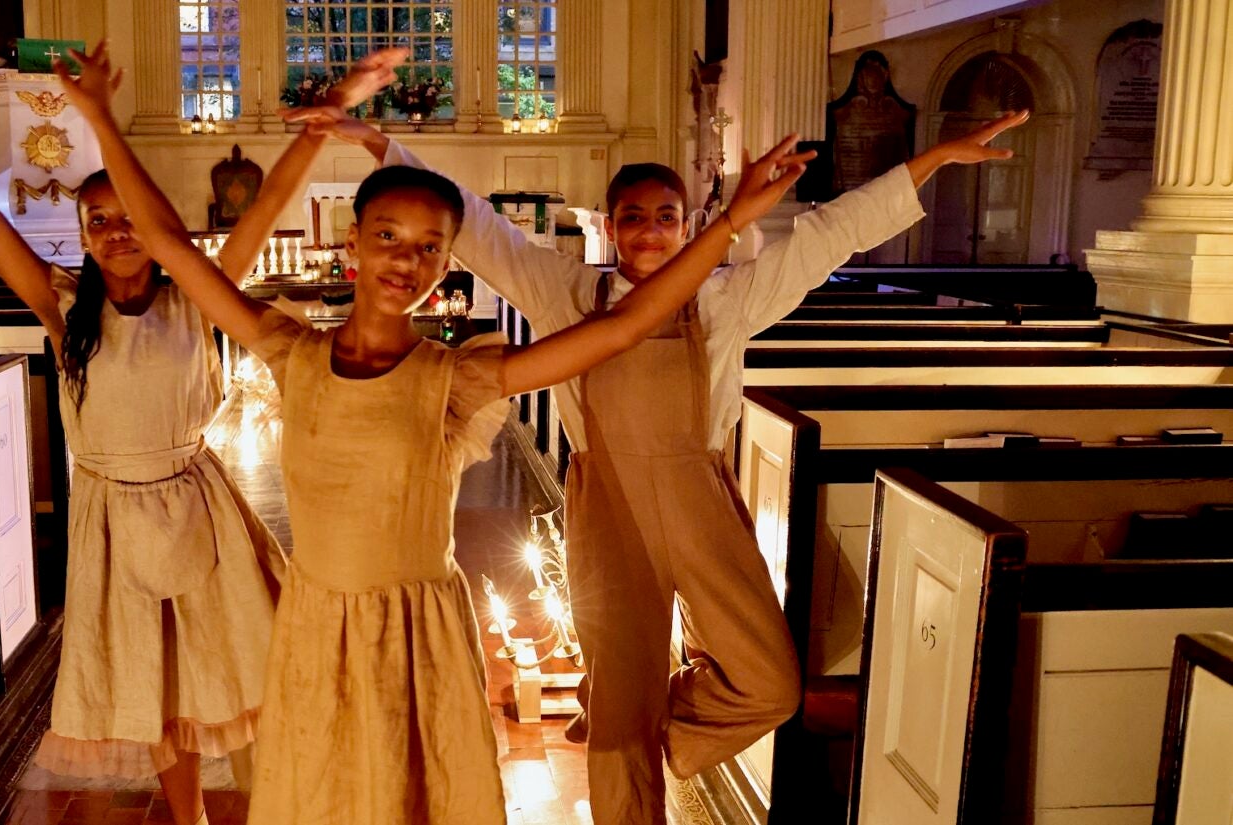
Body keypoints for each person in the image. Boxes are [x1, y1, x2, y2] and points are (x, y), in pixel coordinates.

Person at [52, 41, 812, 825]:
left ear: (450, 263)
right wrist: (101, 117)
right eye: (387, 237)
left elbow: (621, 328)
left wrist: (727, 228)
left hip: (423, 638)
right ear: (351, 244)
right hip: (316, 630)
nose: (406, 261)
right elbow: (175, 246)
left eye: (430, 248)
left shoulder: (458, 379)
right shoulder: (288, 349)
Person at [285, 104, 1030, 824]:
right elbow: (477, 226)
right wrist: (375, 141)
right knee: (618, 708)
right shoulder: (568, 291)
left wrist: (930, 160)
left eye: (665, 216)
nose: (648, 231)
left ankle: (653, 728)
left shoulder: (726, 299)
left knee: (770, 682)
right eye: (633, 217)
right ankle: (621, 738)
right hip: (605, 499)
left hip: (698, 495)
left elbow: (827, 236)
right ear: (610, 227)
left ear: (688, 224)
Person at [0, 58, 397, 825]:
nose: (115, 231)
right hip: (108, 518)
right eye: (97, 220)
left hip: (200, 506)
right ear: (81, 237)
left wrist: (328, 119)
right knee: (159, 687)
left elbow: (268, 204)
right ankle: (192, 818)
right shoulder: (62, 305)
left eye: (127, 213)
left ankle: (281, 806)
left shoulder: (195, 297)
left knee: (246, 665)